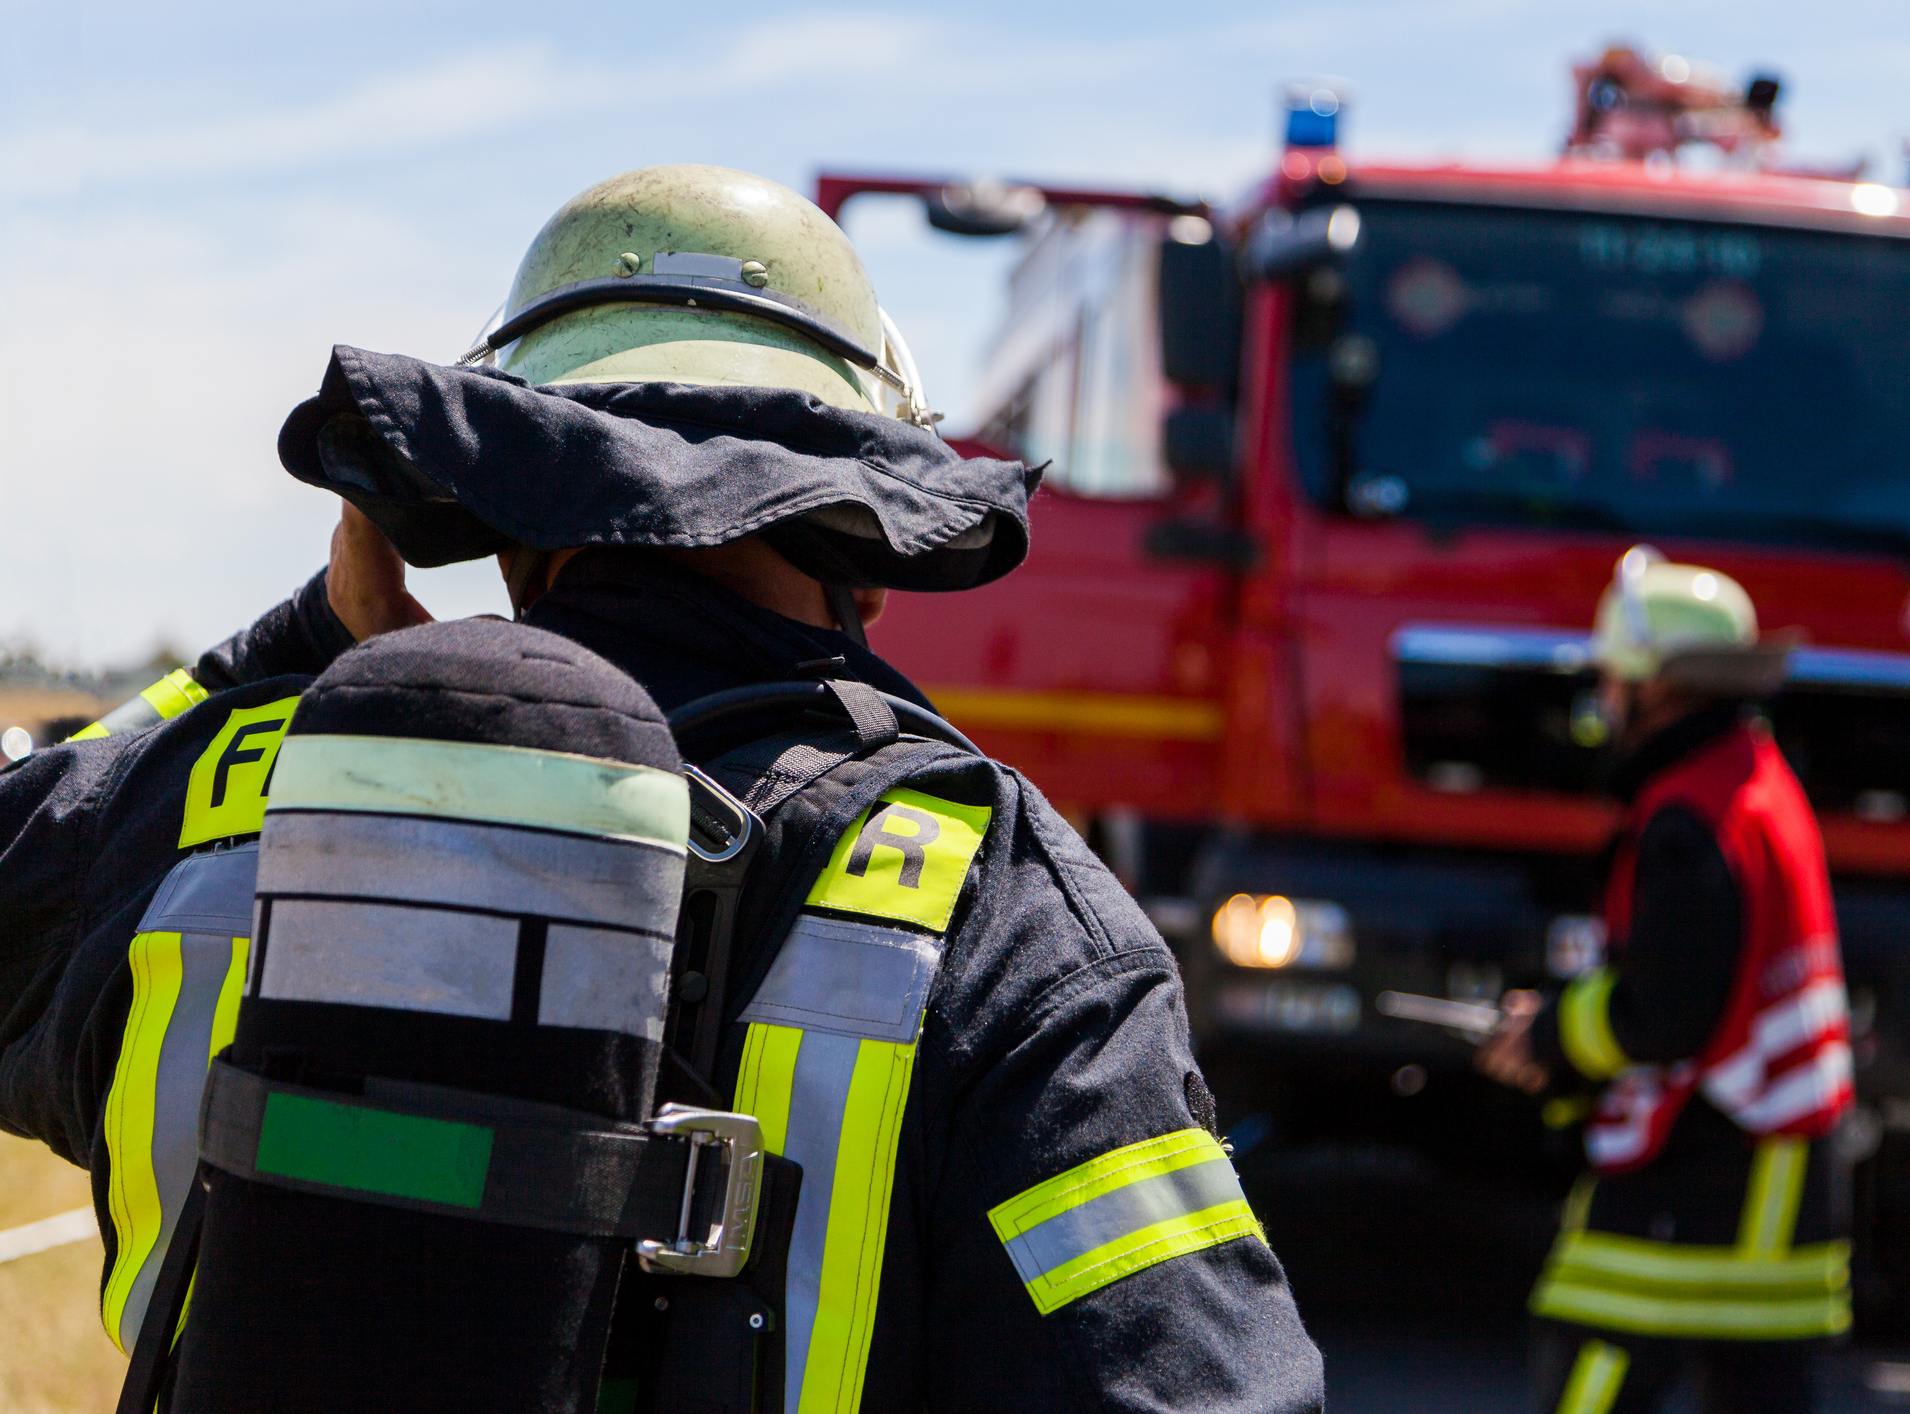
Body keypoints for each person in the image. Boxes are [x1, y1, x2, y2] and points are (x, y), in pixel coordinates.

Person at [0, 164, 1325, 1413]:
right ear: (872, 559)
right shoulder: (998, 907)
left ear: (508, 526)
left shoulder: (207, 804)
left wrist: (279, 655)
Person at [1477, 546, 1854, 1414]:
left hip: (1708, 1181)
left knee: (1588, 1371)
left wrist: (1547, 1036)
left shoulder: (1688, 812)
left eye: (1615, 679)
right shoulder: (1749, 782)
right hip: (1775, 1186)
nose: (1603, 698)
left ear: (1656, 686)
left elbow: (1667, 1012)